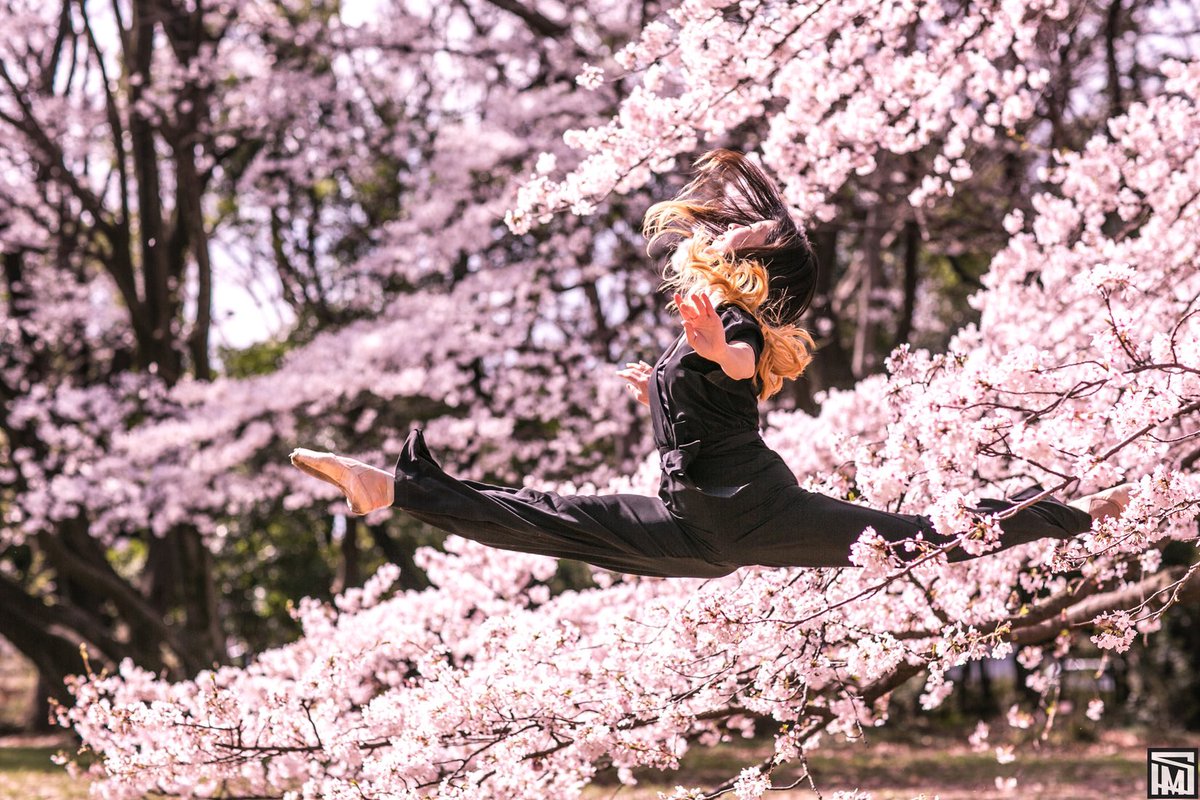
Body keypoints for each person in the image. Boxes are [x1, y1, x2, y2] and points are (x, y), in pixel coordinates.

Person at [290, 149, 1130, 579]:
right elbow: (710, 384)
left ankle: (1073, 508)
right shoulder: (705, 322)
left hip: (749, 509)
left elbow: (735, 364)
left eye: (744, 235)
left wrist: (713, 351)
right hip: (699, 524)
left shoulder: (733, 321)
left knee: (923, 538)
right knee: (547, 519)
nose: (723, 233)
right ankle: (394, 488)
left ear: (756, 272)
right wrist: (658, 380)